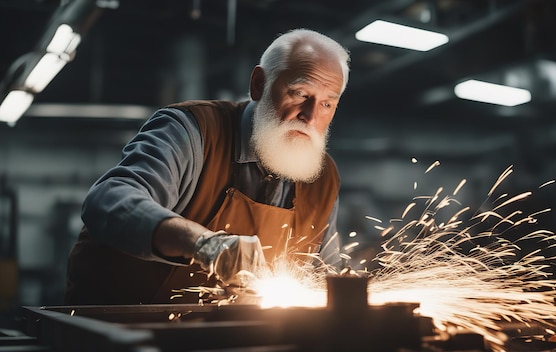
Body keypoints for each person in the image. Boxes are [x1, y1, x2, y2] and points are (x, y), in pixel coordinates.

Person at [65, 28, 351, 305]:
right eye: (300, 93)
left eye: (327, 104)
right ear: (258, 84)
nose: (310, 116)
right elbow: (108, 200)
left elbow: (322, 275)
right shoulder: (192, 131)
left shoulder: (323, 179)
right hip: (115, 328)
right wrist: (202, 244)